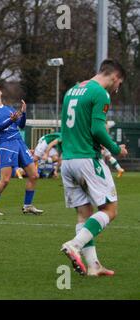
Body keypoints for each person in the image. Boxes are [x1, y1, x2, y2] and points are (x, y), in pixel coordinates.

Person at [60, 59, 128, 277]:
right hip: (87, 159)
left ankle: (93, 266)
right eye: (119, 84)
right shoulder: (100, 93)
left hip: (68, 161)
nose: (117, 89)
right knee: (110, 210)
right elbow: (98, 129)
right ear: (115, 76)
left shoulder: (72, 91)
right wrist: (116, 149)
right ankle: (74, 245)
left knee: (84, 215)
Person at [0, 84, 43, 216]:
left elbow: (21, 125)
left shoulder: (9, 109)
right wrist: (11, 120)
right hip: (6, 144)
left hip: (19, 143)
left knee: (34, 175)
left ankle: (27, 206)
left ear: (0, 92)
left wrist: (24, 112)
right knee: (5, 180)